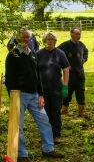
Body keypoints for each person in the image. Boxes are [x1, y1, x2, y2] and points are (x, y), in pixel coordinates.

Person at [5, 29, 64, 162]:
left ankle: (48, 149)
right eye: (22, 37)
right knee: (18, 126)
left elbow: (38, 75)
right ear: (17, 39)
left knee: (44, 121)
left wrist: (41, 94)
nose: (25, 39)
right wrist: (13, 97)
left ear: (30, 39)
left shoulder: (32, 54)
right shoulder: (13, 55)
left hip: (35, 95)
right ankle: (22, 154)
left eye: (27, 37)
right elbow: (9, 79)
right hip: (19, 95)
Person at [36, 31, 70, 144]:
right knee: (44, 113)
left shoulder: (60, 53)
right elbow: (35, 71)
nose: (50, 42)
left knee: (55, 112)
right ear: (44, 41)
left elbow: (66, 70)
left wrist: (65, 86)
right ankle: (45, 136)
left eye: (52, 40)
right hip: (42, 88)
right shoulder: (39, 54)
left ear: (55, 41)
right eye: (48, 40)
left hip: (56, 87)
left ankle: (56, 135)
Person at [58, 27, 88, 117]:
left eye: (79, 34)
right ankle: (64, 110)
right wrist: (64, 64)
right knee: (68, 93)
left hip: (80, 73)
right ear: (71, 35)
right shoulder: (65, 45)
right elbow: (57, 53)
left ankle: (81, 112)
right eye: (76, 34)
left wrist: (85, 58)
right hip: (70, 74)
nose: (78, 36)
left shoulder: (82, 45)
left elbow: (86, 51)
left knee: (81, 92)